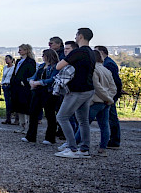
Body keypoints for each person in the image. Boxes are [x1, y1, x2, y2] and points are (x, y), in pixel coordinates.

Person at [54, 29, 97, 159]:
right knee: (83, 121)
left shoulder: (78, 51)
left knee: (62, 117)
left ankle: (72, 148)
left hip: (77, 90)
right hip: (88, 89)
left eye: (76, 35)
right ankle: (84, 149)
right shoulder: (91, 52)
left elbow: (58, 66)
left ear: (81, 36)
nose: (75, 36)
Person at [24, 49, 62, 145]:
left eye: (44, 55)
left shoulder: (55, 67)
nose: (42, 57)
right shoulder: (41, 66)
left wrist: (39, 82)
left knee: (50, 114)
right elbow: (34, 76)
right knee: (33, 113)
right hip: (37, 92)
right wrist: (31, 81)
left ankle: (50, 137)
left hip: (49, 93)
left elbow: (52, 79)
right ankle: (30, 136)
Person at [87, 49, 117, 155]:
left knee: (85, 124)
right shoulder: (106, 70)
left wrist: (107, 98)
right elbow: (113, 87)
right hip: (106, 102)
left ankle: (76, 144)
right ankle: (102, 148)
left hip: (96, 101)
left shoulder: (93, 69)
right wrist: (109, 98)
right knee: (104, 125)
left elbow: (97, 87)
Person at [95, 45, 123, 148]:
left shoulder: (108, 64)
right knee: (108, 119)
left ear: (102, 52)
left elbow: (115, 82)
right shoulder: (107, 63)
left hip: (109, 96)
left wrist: (112, 96)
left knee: (111, 119)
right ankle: (111, 141)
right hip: (109, 95)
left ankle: (114, 141)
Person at [10, 44, 36, 133]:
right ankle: (22, 125)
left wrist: (24, 81)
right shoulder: (18, 61)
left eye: (21, 50)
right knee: (19, 107)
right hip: (16, 86)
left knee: (26, 107)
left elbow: (31, 73)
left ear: (26, 50)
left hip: (25, 87)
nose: (19, 51)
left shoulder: (31, 62)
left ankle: (28, 126)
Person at [1, 55, 15, 124]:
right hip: (5, 85)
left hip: (10, 86)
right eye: (5, 59)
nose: (6, 60)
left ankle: (16, 119)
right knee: (7, 102)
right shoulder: (5, 68)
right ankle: (8, 118)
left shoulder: (14, 68)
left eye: (7, 59)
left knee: (12, 102)